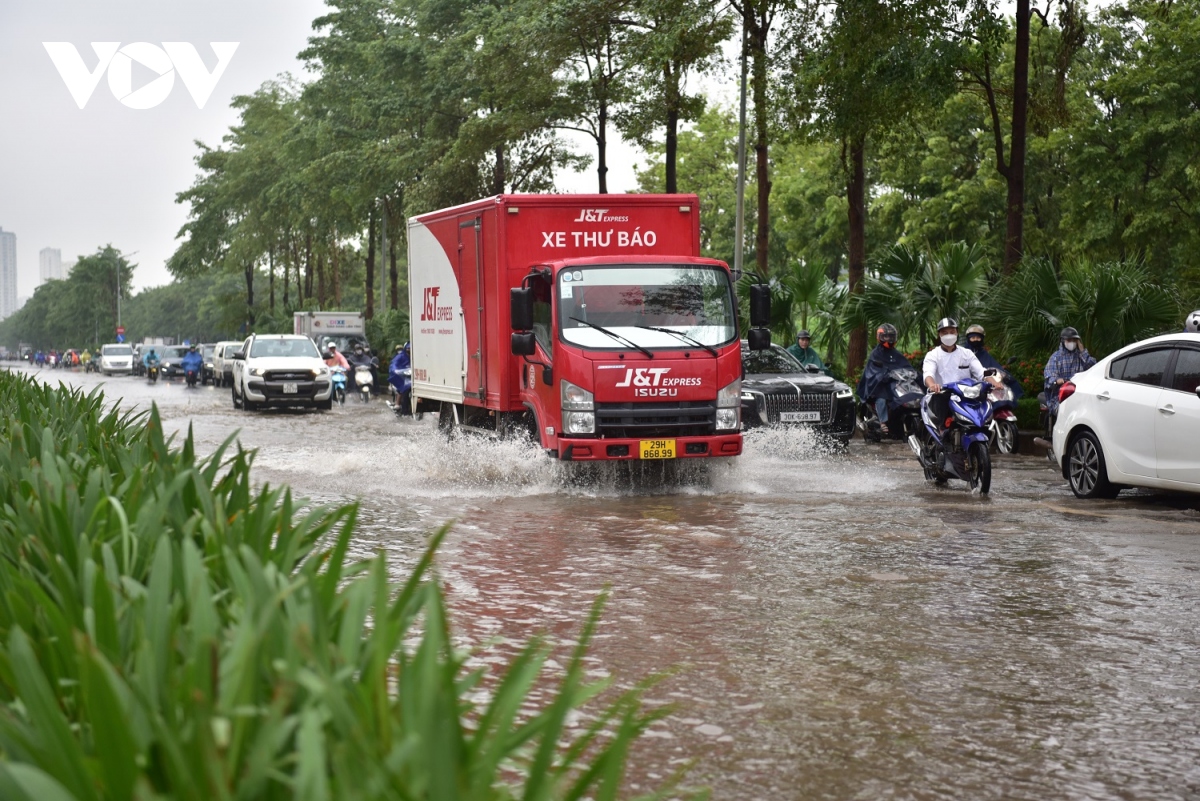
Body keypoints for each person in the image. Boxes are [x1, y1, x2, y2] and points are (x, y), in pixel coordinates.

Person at [923, 317, 1000, 428]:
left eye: (952, 332)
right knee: (942, 426)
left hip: (966, 396)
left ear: (957, 332)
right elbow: (928, 374)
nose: (949, 335)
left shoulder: (966, 353)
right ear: (939, 334)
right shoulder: (933, 355)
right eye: (945, 332)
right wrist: (932, 385)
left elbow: (981, 371)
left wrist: (994, 382)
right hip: (942, 396)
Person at [856, 323, 913, 435]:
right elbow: (873, 371)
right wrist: (884, 375)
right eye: (886, 336)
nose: (889, 339)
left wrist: (911, 373)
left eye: (891, 336)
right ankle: (883, 422)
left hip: (893, 384)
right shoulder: (875, 354)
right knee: (881, 398)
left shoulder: (896, 353)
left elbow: (905, 366)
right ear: (880, 337)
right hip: (878, 385)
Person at [1043, 326, 1096, 416]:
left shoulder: (1081, 357)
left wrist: (1083, 351)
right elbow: (1049, 375)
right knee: (1064, 412)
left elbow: (1094, 367)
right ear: (1063, 341)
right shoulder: (1056, 358)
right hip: (1060, 397)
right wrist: (1056, 380)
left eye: (1074, 340)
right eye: (1069, 340)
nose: (1072, 343)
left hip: (1080, 395)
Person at [962, 324, 1023, 400]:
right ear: (968, 339)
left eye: (978, 338)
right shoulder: (963, 353)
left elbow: (986, 370)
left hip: (986, 383)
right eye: (973, 338)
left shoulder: (984, 353)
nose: (975, 340)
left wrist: (1001, 373)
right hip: (966, 386)